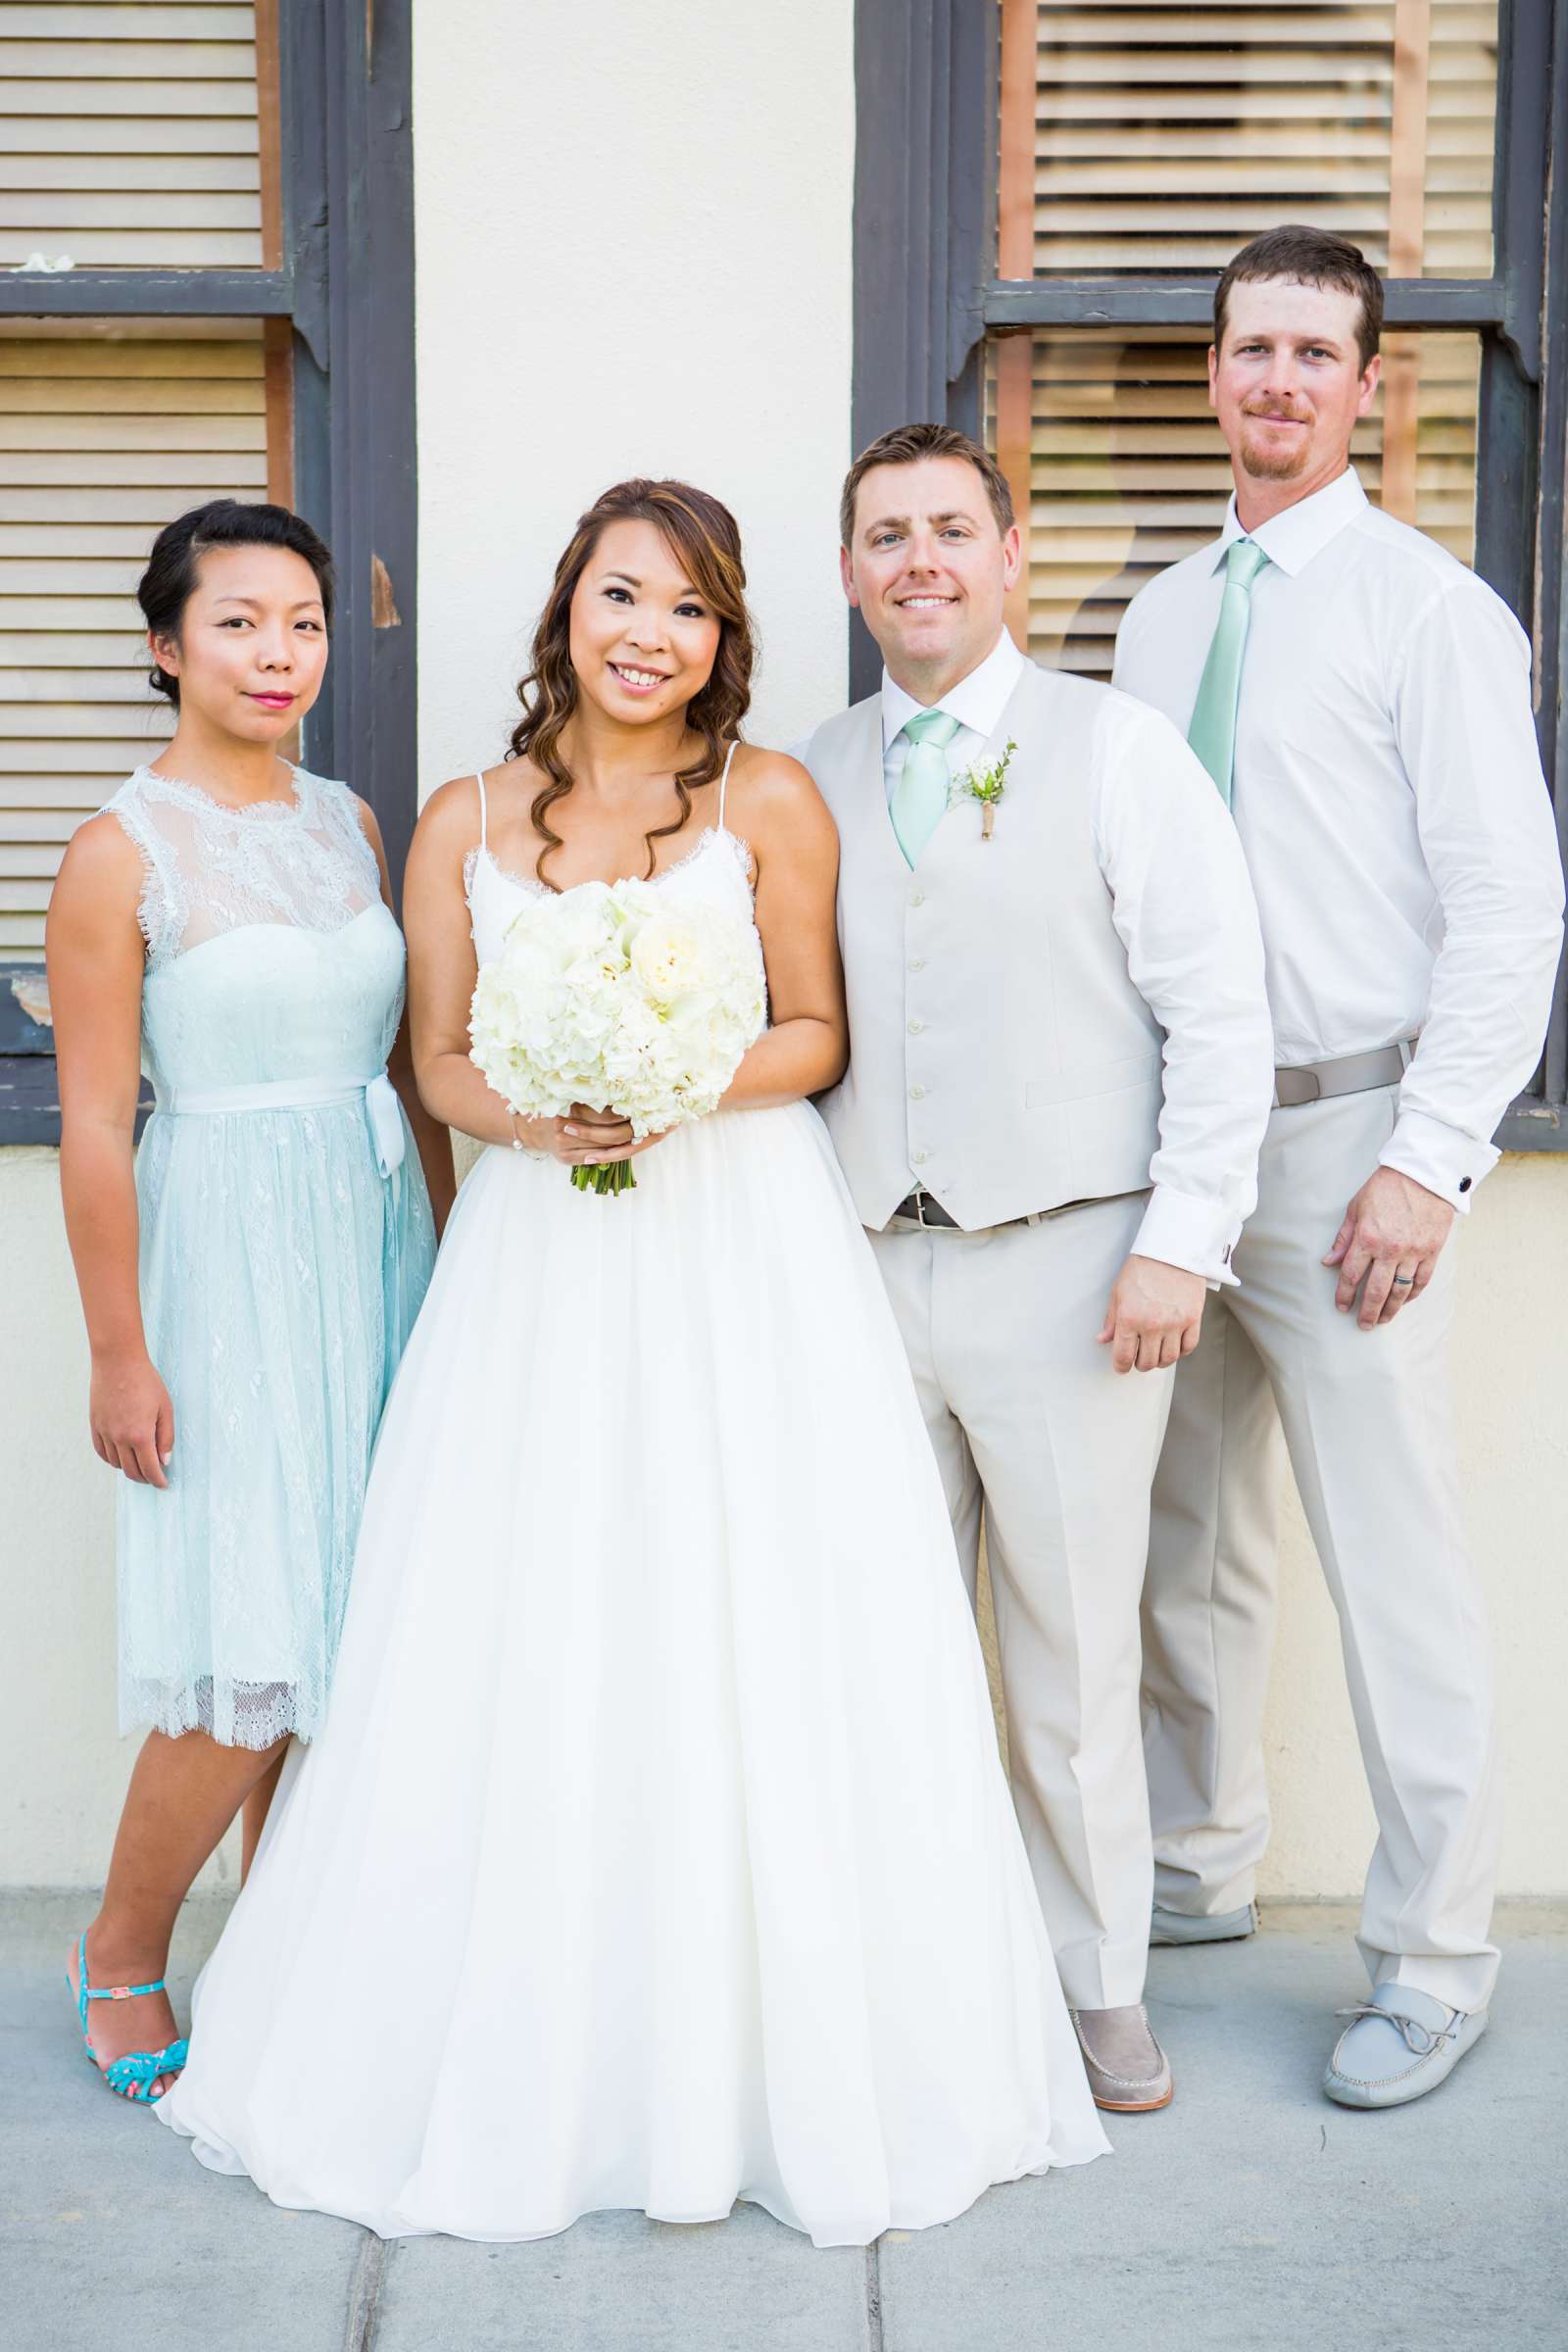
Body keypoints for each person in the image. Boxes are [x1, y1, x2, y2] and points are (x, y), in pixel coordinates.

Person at [154, 478, 1108, 2245]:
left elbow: (815, 1031)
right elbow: (433, 1061)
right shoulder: (461, 817)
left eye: (683, 606)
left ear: (724, 634)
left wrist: (676, 1082)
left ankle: (767, 2056)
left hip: (737, 1248)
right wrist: (539, 1109)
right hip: (536, 1261)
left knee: (748, 1607)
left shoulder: (772, 801)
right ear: (566, 616)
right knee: (528, 1612)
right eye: (618, 596)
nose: (647, 634)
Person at [1113, 225, 1564, 2108]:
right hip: (1174, 1148)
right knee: (1185, 1530)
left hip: (1353, 1140)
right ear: (1211, 375)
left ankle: (1436, 1957)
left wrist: (1432, 1162)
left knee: (1395, 1564)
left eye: (1316, 352)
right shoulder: (1153, 616)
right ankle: (1196, 1866)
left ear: (1369, 383)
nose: (1278, 382)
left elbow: (1507, 903)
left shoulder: (1424, 609)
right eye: (1249, 351)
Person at [801, 423, 1276, 2112]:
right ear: (851, 571)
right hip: (862, 1269)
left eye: (949, 528)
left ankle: (1097, 1988)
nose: (917, 559)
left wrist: (1177, 1248)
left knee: (1074, 1652)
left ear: (1011, 554)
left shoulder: (1120, 750)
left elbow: (1222, 1017)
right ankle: (916, 1977)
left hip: (1075, 1275)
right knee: (879, 1644)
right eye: (884, 535)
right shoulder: (807, 771)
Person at [47, 499, 449, 2106]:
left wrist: (455, 1254)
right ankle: (123, 1948)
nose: (278, 652)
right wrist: (118, 1352)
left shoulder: (352, 823)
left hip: (375, 1233)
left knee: (363, 1625)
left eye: (301, 624)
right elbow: (92, 1122)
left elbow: (414, 1067)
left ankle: (294, 1956)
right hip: (221, 1248)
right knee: (253, 1635)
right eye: (238, 623)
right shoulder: (116, 851)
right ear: (167, 647)